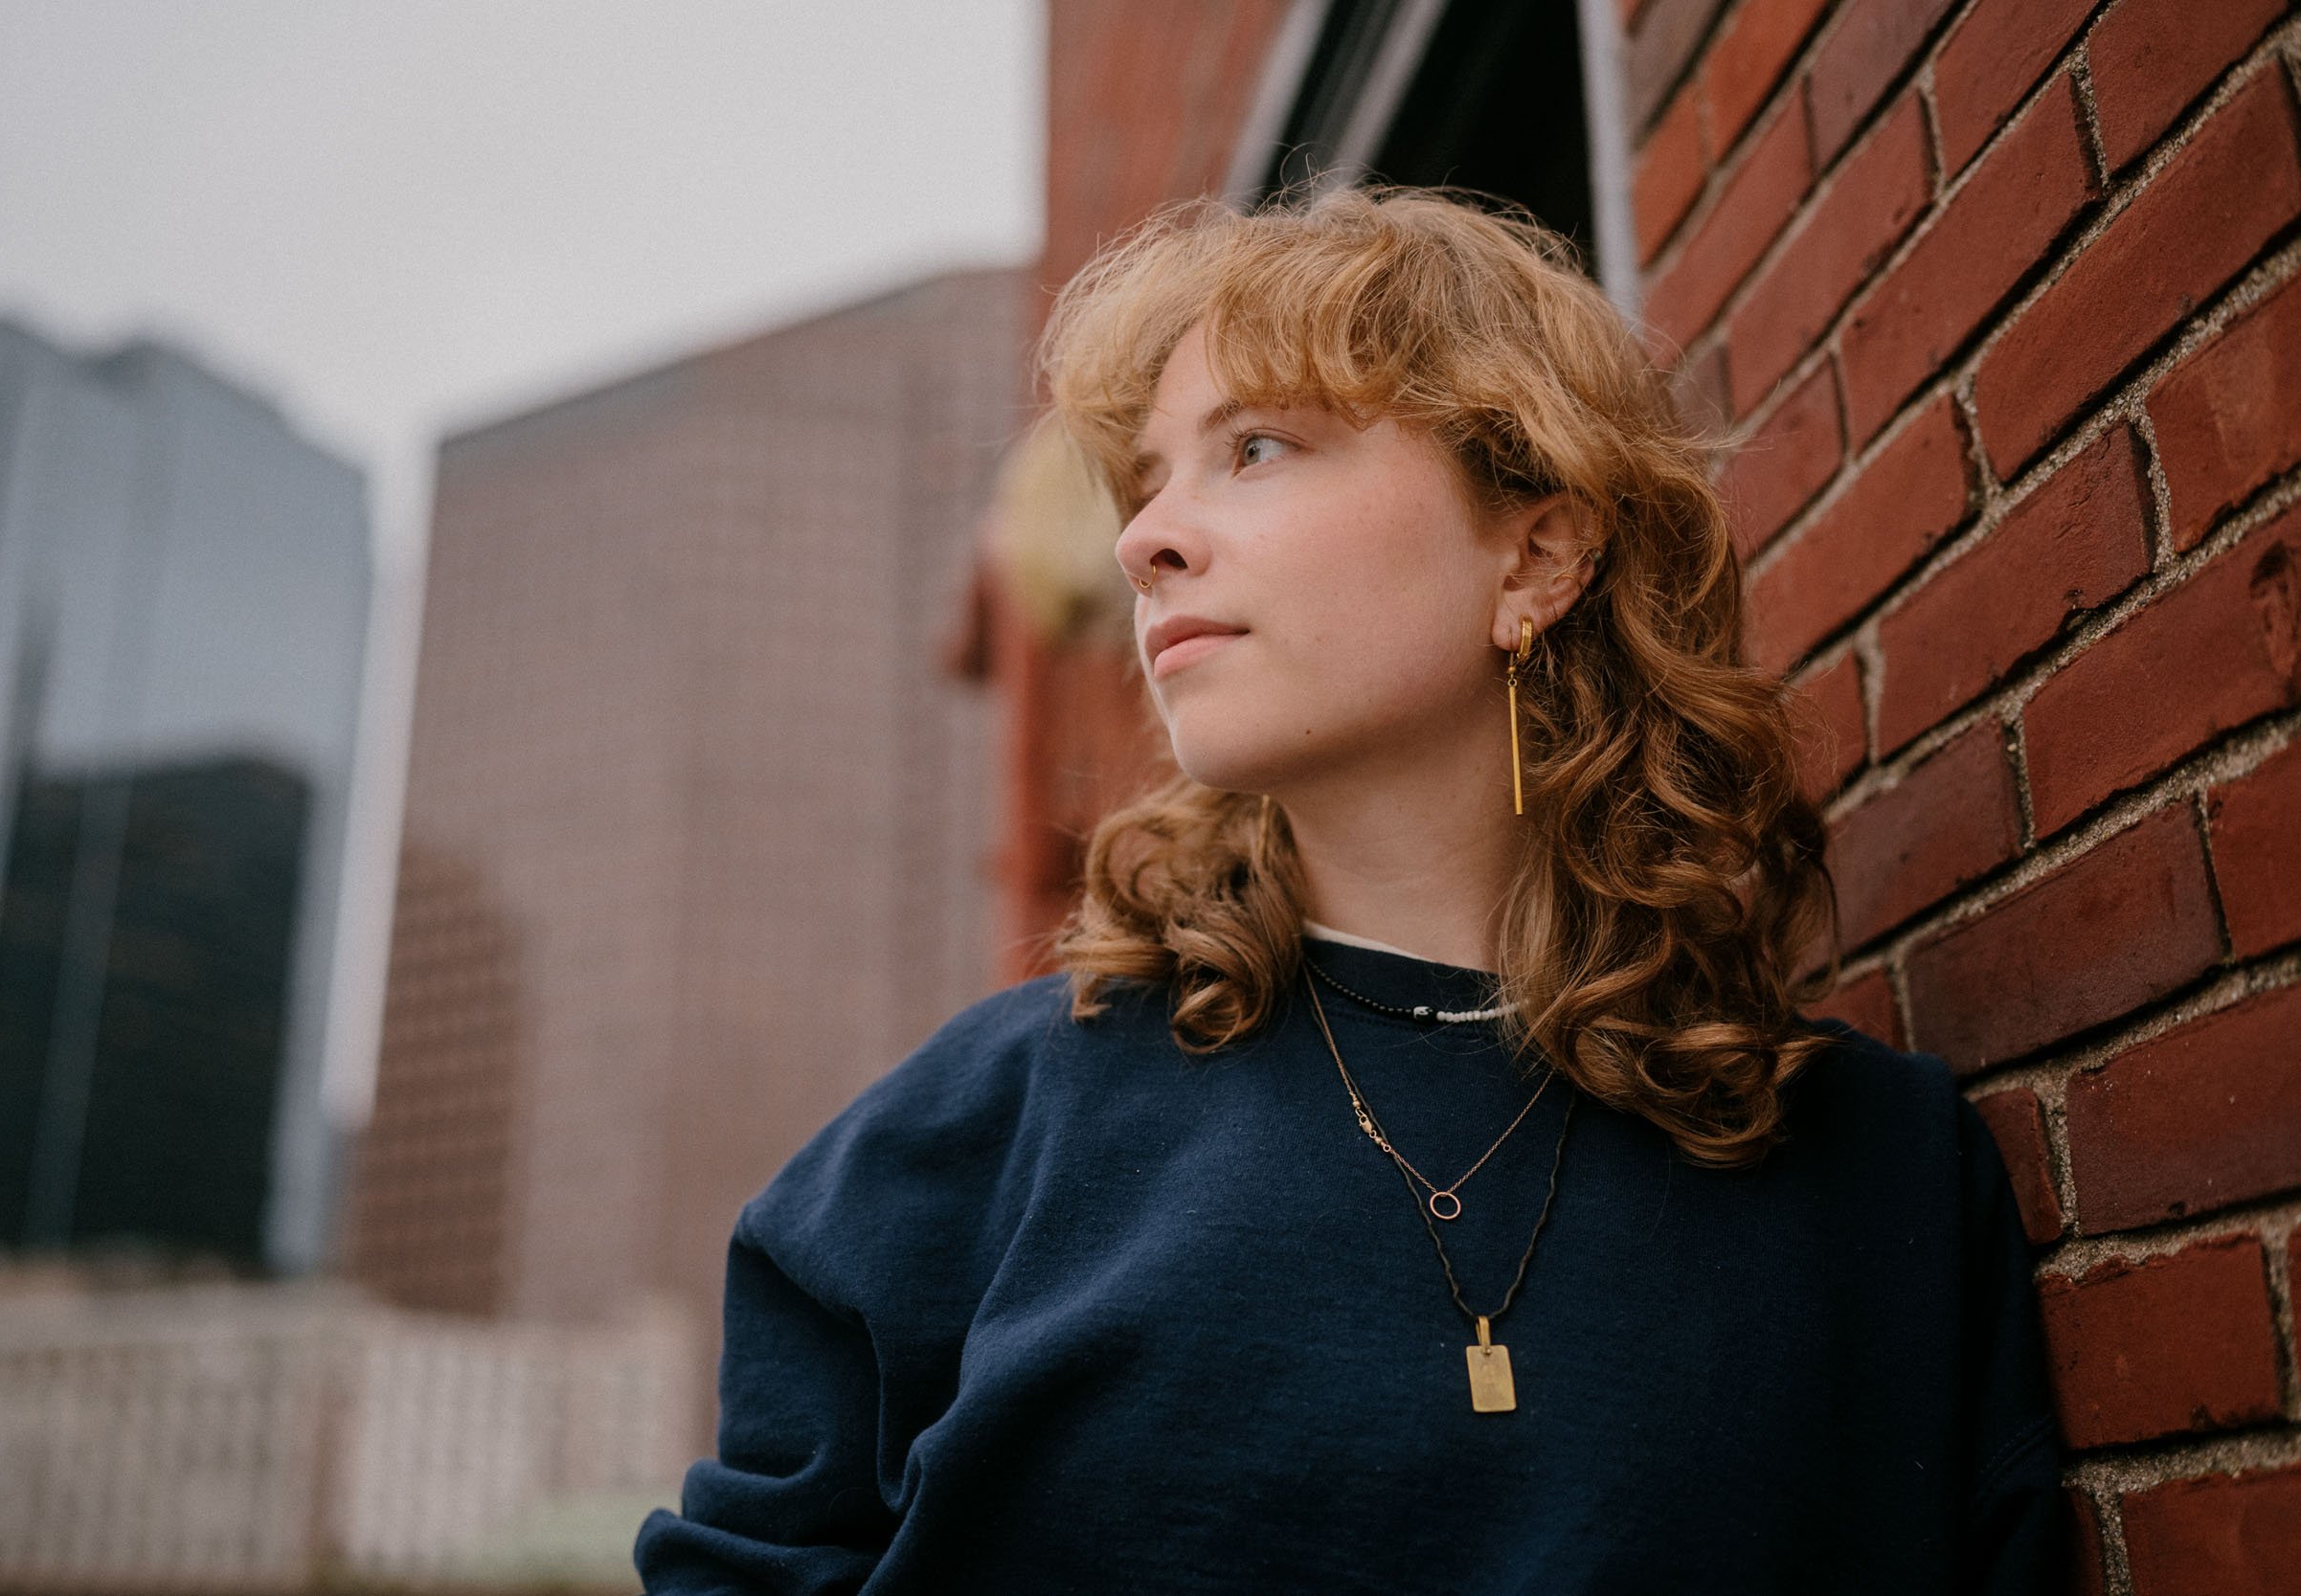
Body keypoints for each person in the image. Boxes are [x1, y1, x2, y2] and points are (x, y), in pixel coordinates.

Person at [634, 187, 2067, 1594]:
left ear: (1538, 553)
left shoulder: (1882, 1182)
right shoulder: (963, 1148)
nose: (1144, 539)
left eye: (1256, 447)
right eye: (1148, 481)